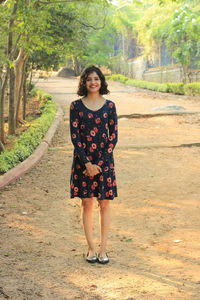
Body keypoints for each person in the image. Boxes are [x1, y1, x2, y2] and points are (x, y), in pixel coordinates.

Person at [69, 65, 118, 264]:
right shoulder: (75, 106)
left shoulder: (110, 106)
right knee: (87, 203)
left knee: (104, 204)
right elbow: (75, 136)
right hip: (82, 162)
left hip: (104, 162)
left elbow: (113, 137)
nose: (93, 82)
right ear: (84, 82)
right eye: (89, 79)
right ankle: (90, 248)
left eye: (96, 78)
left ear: (101, 81)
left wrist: (99, 164)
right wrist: (88, 163)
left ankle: (103, 249)